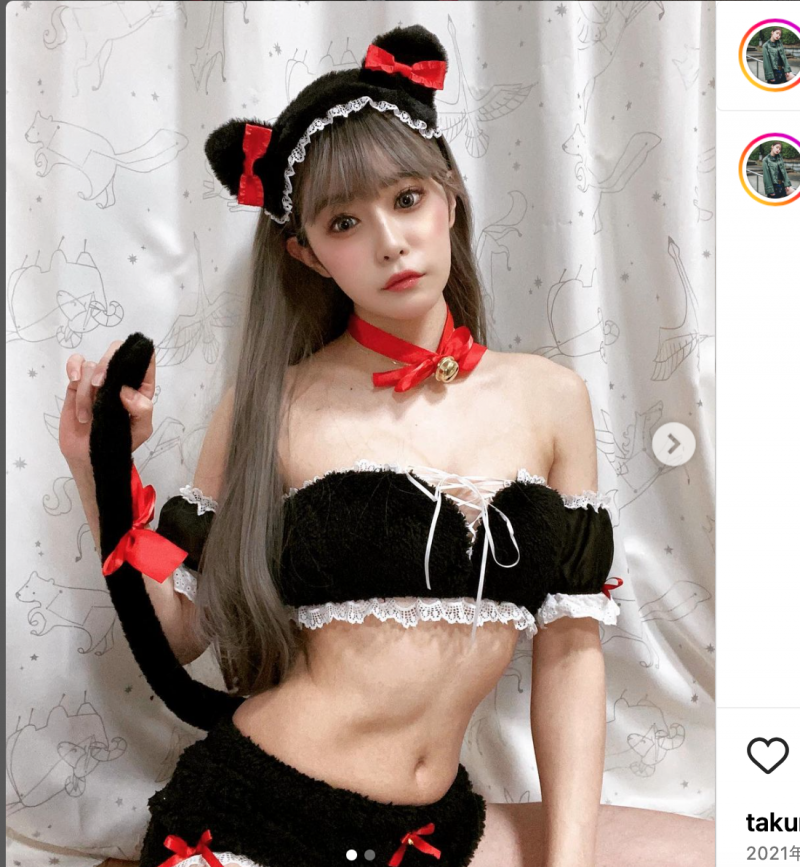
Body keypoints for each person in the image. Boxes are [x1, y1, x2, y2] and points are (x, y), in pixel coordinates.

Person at [60, 23, 714, 867]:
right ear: (307, 253)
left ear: (450, 198)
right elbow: (182, 632)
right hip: (260, 813)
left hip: (428, 829)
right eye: (345, 220)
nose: (389, 241)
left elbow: (570, 653)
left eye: (406, 199)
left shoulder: (553, 398)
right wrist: (99, 469)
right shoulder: (269, 404)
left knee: (712, 850)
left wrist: (570, 859)